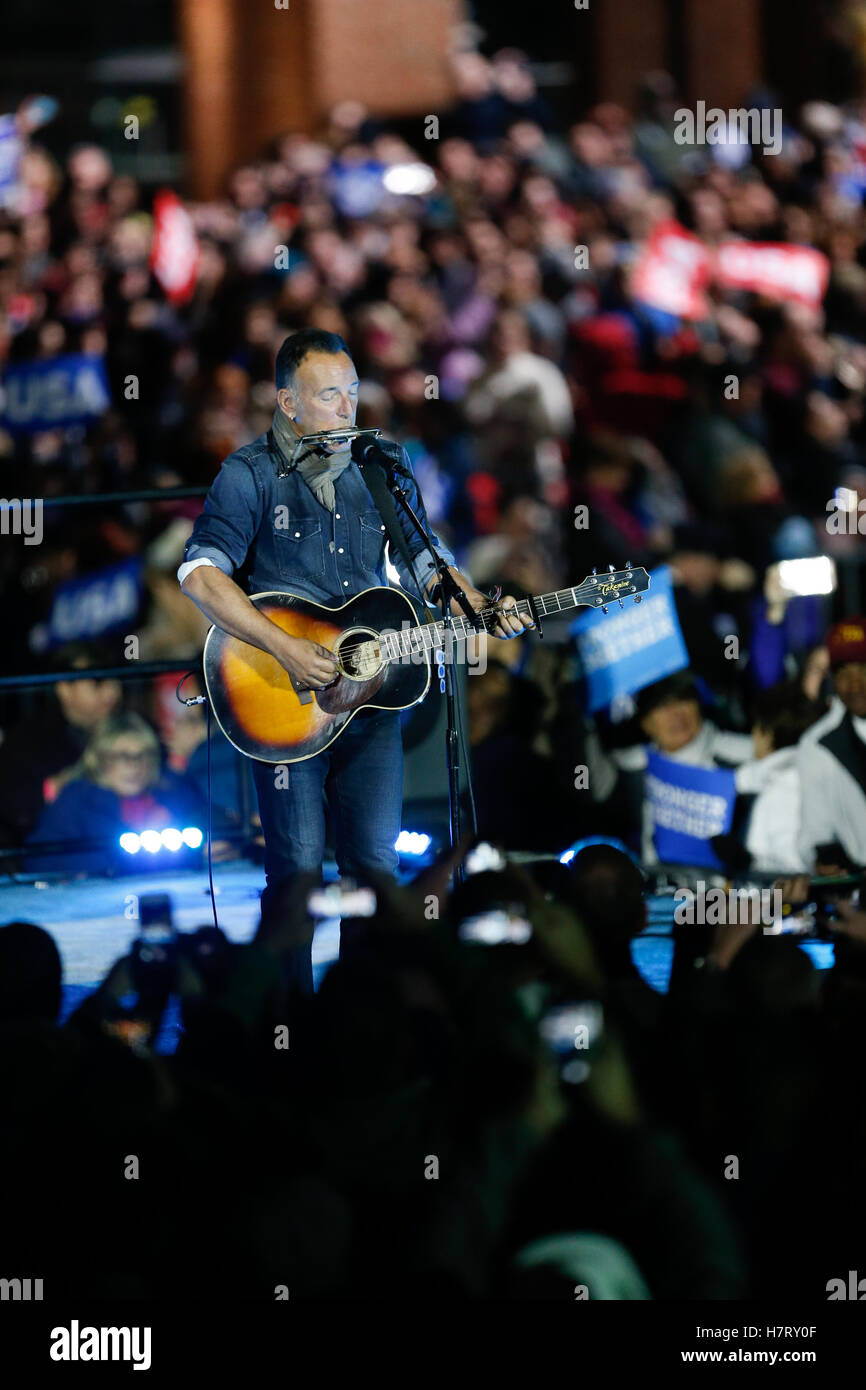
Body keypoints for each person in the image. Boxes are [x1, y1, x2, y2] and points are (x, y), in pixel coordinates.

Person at [178, 328, 533, 989]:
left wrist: (475, 601)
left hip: (370, 701)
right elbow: (199, 574)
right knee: (299, 867)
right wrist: (284, 645)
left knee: (374, 866)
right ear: (288, 403)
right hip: (285, 700)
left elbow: (426, 558)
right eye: (329, 396)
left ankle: (370, 1012)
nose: (347, 409)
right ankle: (288, 1015)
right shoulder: (248, 473)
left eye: (353, 393)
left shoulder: (381, 462)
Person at [24, 711, 204, 875]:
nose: (134, 766)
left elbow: (211, 823)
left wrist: (210, 848)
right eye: (122, 756)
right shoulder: (76, 801)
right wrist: (108, 863)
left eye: (143, 755)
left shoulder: (170, 791)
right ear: (100, 759)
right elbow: (38, 860)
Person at [0, 641, 122, 848]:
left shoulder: (129, 728)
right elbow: (13, 807)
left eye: (116, 680)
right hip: (52, 851)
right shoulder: (27, 739)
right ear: (65, 689)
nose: (112, 692)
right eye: (98, 683)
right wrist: (52, 789)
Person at [797, 618, 866, 872]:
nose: (855, 684)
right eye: (844, 674)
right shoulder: (817, 745)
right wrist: (824, 858)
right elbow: (815, 832)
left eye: (863, 669)